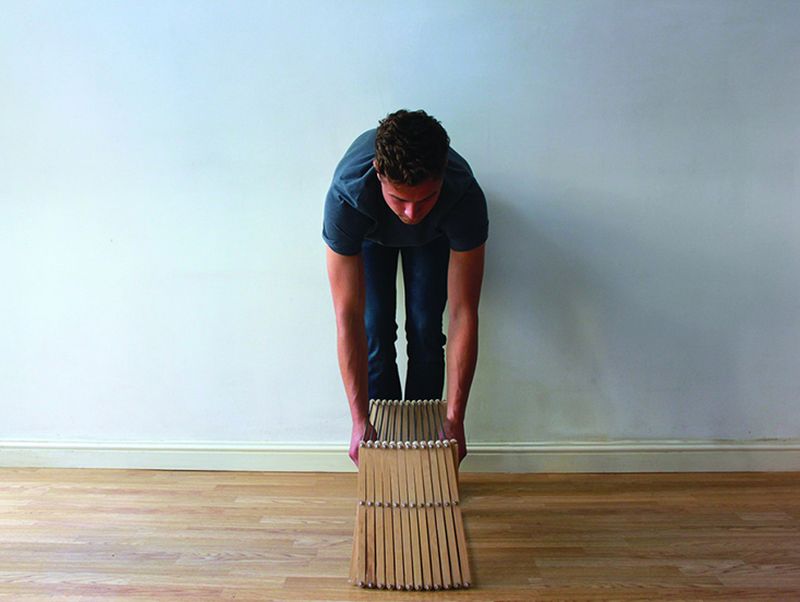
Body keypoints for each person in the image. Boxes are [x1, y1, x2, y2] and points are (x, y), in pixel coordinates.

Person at [323, 109, 487, 467]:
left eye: (424, 199)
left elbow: (463, 314)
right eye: (400, 199)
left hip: (436, 235)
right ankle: (385, 455)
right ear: (379, 175)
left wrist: (455, 420)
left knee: (426, 329)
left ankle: (423, 451)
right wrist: (357, 421)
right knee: (376, 329)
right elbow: (346, 316)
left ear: (442, 177)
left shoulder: (463, 196)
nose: (411, 214)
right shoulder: (347, 196)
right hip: (369, 233)